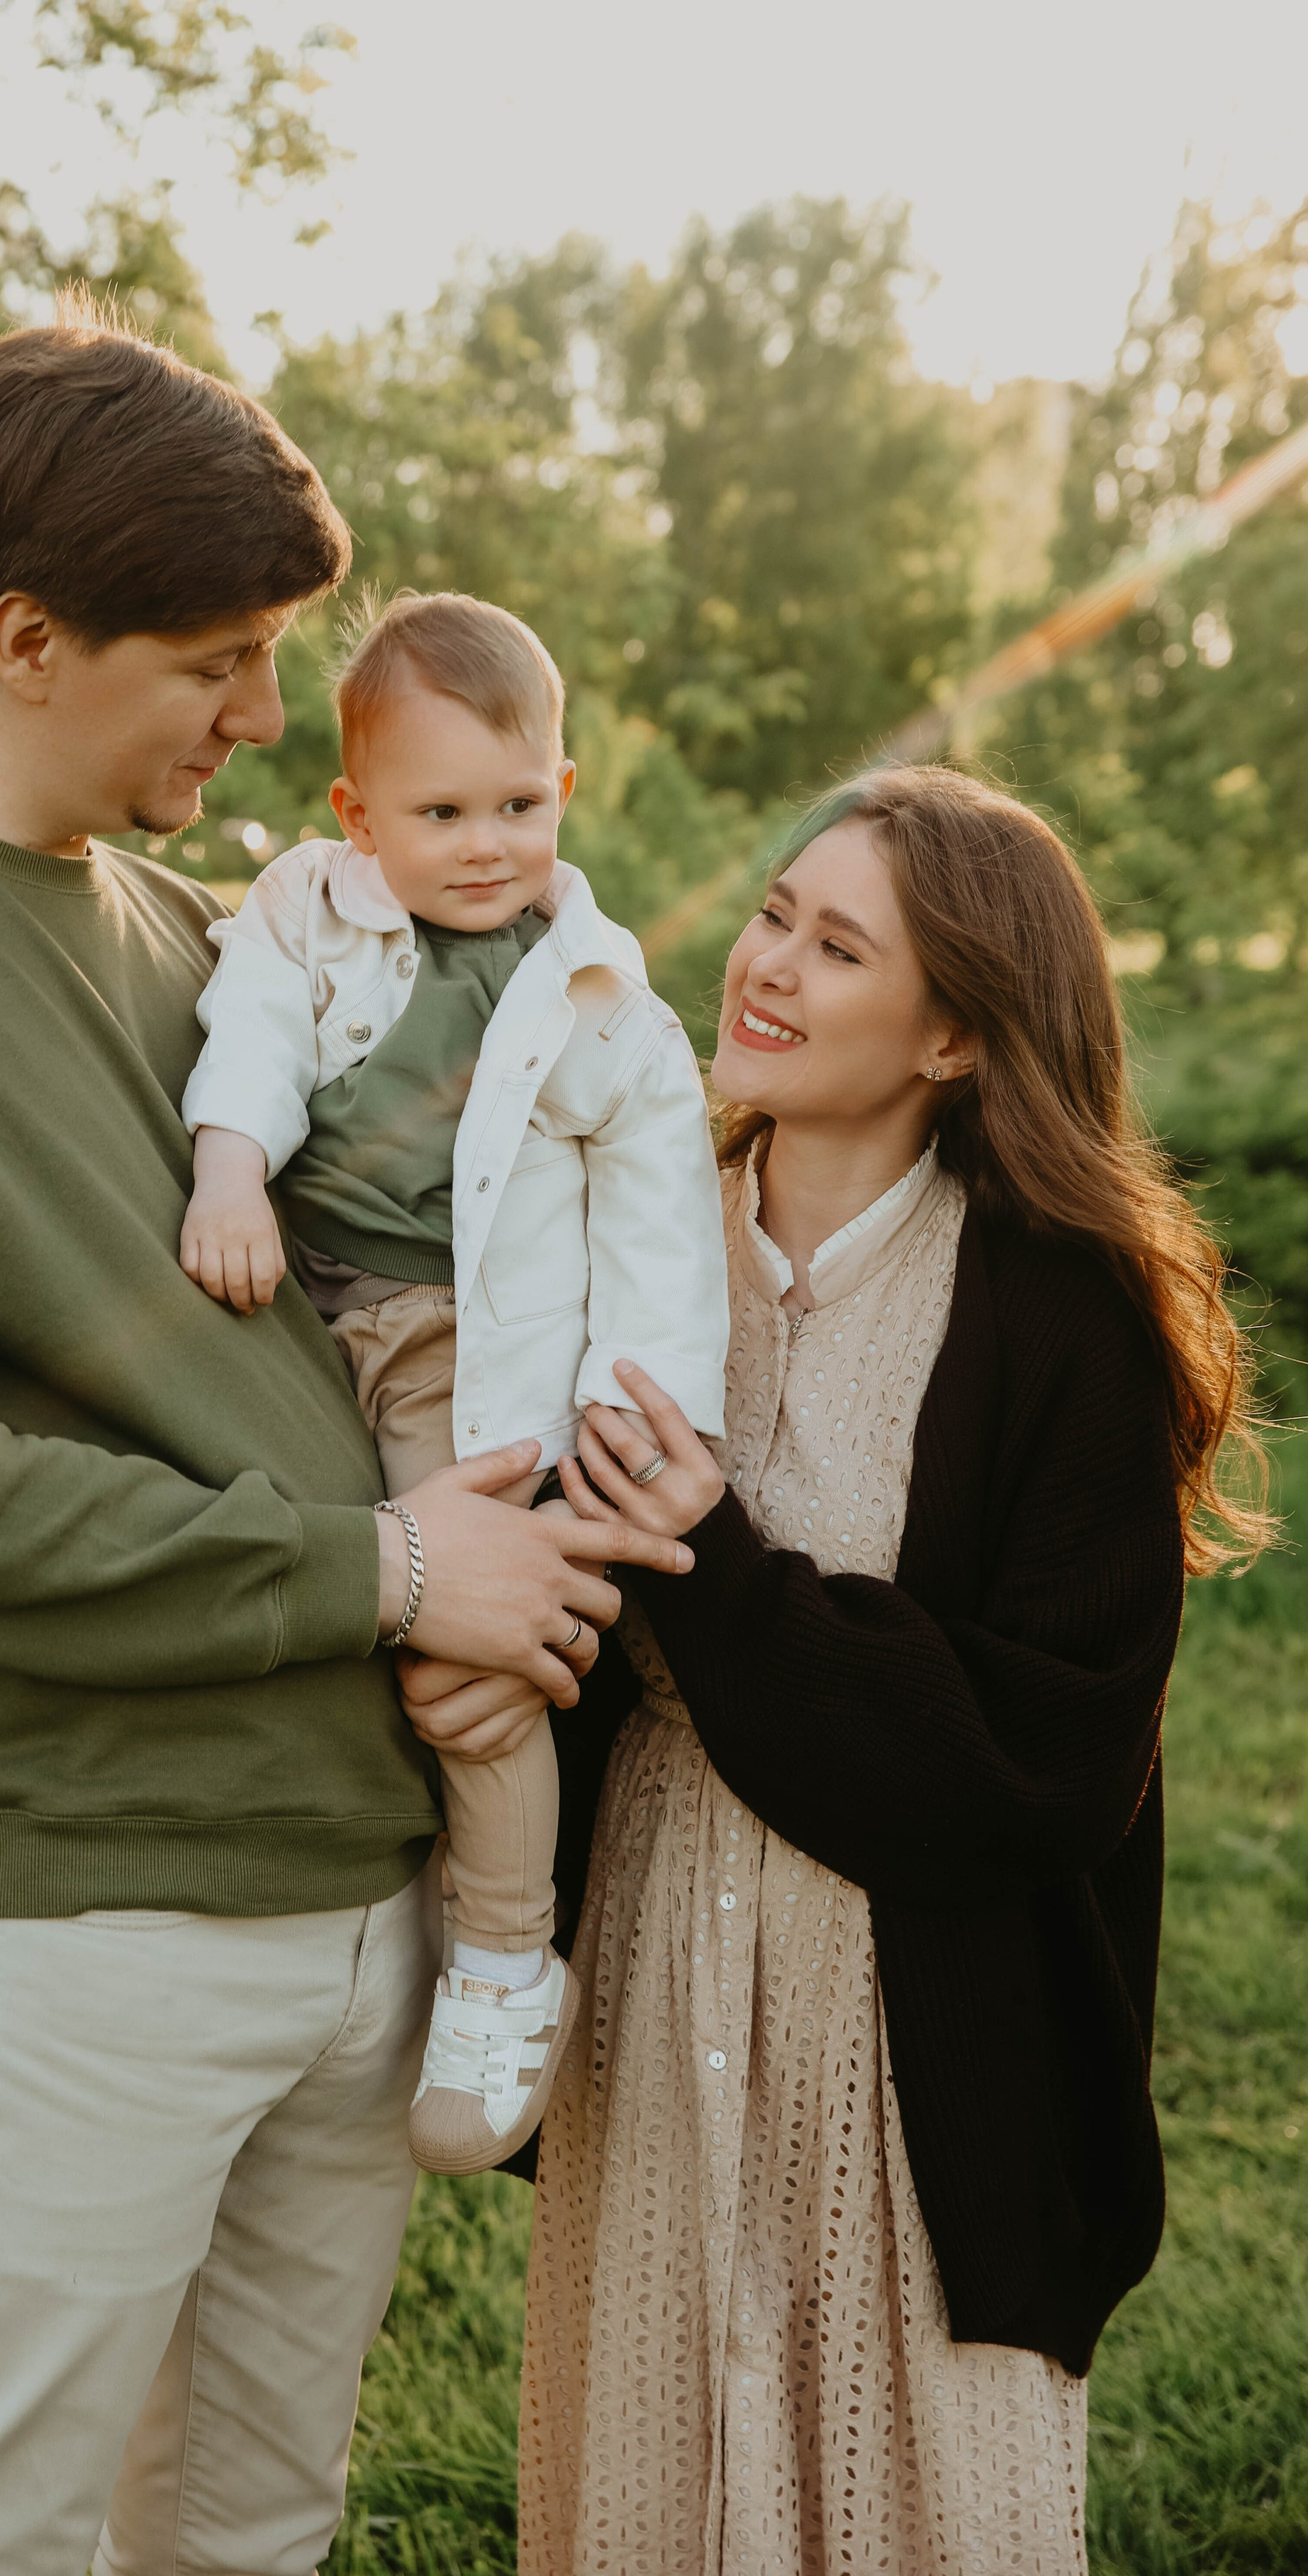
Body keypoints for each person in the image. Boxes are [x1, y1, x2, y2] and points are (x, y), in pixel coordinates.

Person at [0, 300, 692, 2576]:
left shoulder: (224, 930)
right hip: (79, 1917)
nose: (267, 715)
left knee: (243, 2537)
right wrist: (395, 1574)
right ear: (28, 635)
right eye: (216, 657)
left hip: (359, 1888)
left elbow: (485, 1187)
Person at [401, 763, 1270, 2573]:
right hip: (649, 1967)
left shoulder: (1061, 1313)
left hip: (924, 2048)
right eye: (774, 912)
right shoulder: (622, 1231)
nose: (765, 965)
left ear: (954, 1033)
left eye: (836, 944)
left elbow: (1042, 1763)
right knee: (646, 2490)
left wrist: (716, 1575)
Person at [179, 589, 730, 2174]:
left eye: (517, 804)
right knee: (290, 1583)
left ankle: (499, 1962)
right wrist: (227, 1176)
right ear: (356, 815)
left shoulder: (600, 999)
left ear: (562, 791)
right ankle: (307, 1906)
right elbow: (252, 1038)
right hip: (284, 1303)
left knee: (466, 1672)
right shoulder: (305, 908)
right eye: (439, 811)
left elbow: (658, 1229)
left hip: (448, 1347)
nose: (486, 843)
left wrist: (638, 1421)